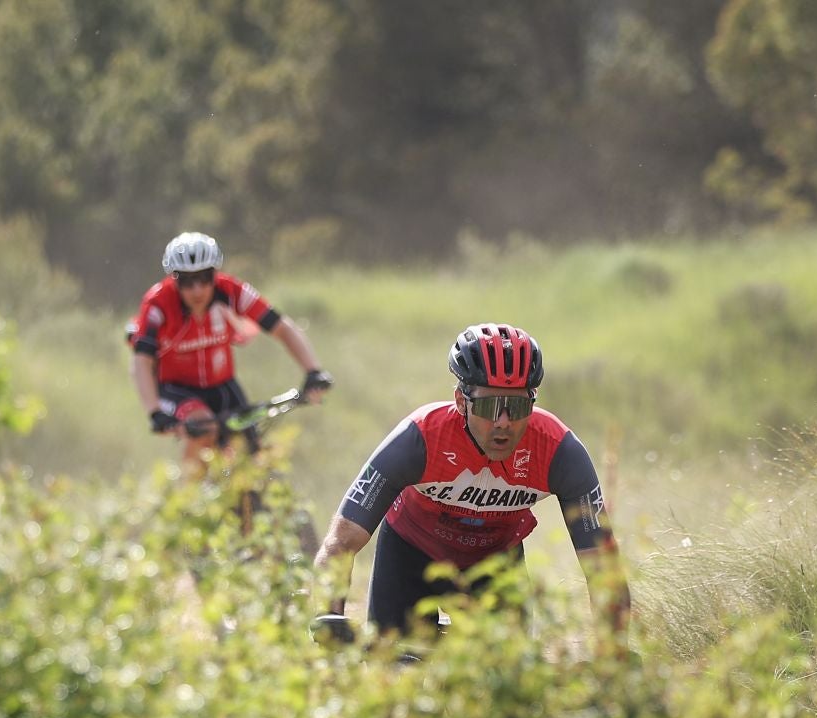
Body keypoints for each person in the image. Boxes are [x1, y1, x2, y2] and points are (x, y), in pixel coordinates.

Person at [312, 323, 630, 642]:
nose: (503, 422)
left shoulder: (558, 451)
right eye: (489, 405)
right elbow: (340, 542)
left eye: (518, 406)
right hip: (410, 554)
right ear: (461, 402)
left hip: (494, 562)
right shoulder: (419, 439)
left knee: (504, 678)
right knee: (391, 666)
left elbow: (603, 570)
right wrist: (329, 618)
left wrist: (611, 657)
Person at [128, 231, 332, 478]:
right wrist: (155, 412)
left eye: (205, 278)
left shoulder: (232, 291)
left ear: (215, 274)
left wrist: (313, 371)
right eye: (187, 281)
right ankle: (186, 503)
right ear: (174, 279)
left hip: (223, 386)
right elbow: (141, 361)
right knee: (205, 427)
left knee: (252, 454)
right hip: (175, 388)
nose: (197, 289)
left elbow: (282, 327)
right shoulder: (158, 303)